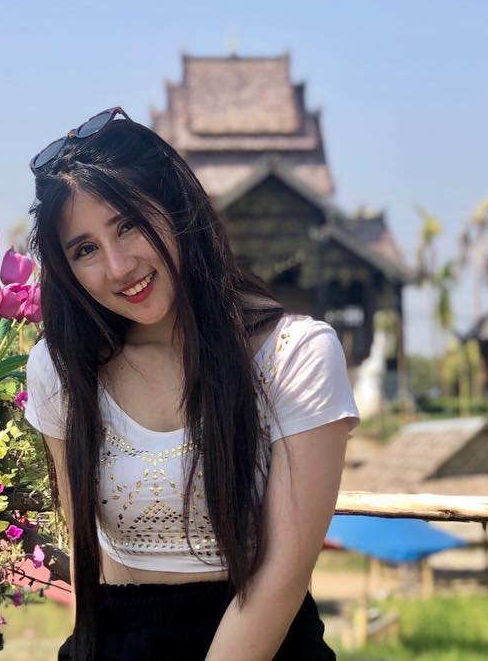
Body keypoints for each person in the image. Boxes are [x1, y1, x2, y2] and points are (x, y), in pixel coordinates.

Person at [22, 107, 360, 660]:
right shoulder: (60, 369)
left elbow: (282, 572)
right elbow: (87, 558)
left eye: (128, 224)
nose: (118, 266)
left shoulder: (294, 354)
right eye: (85, 249)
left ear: (176, 207)